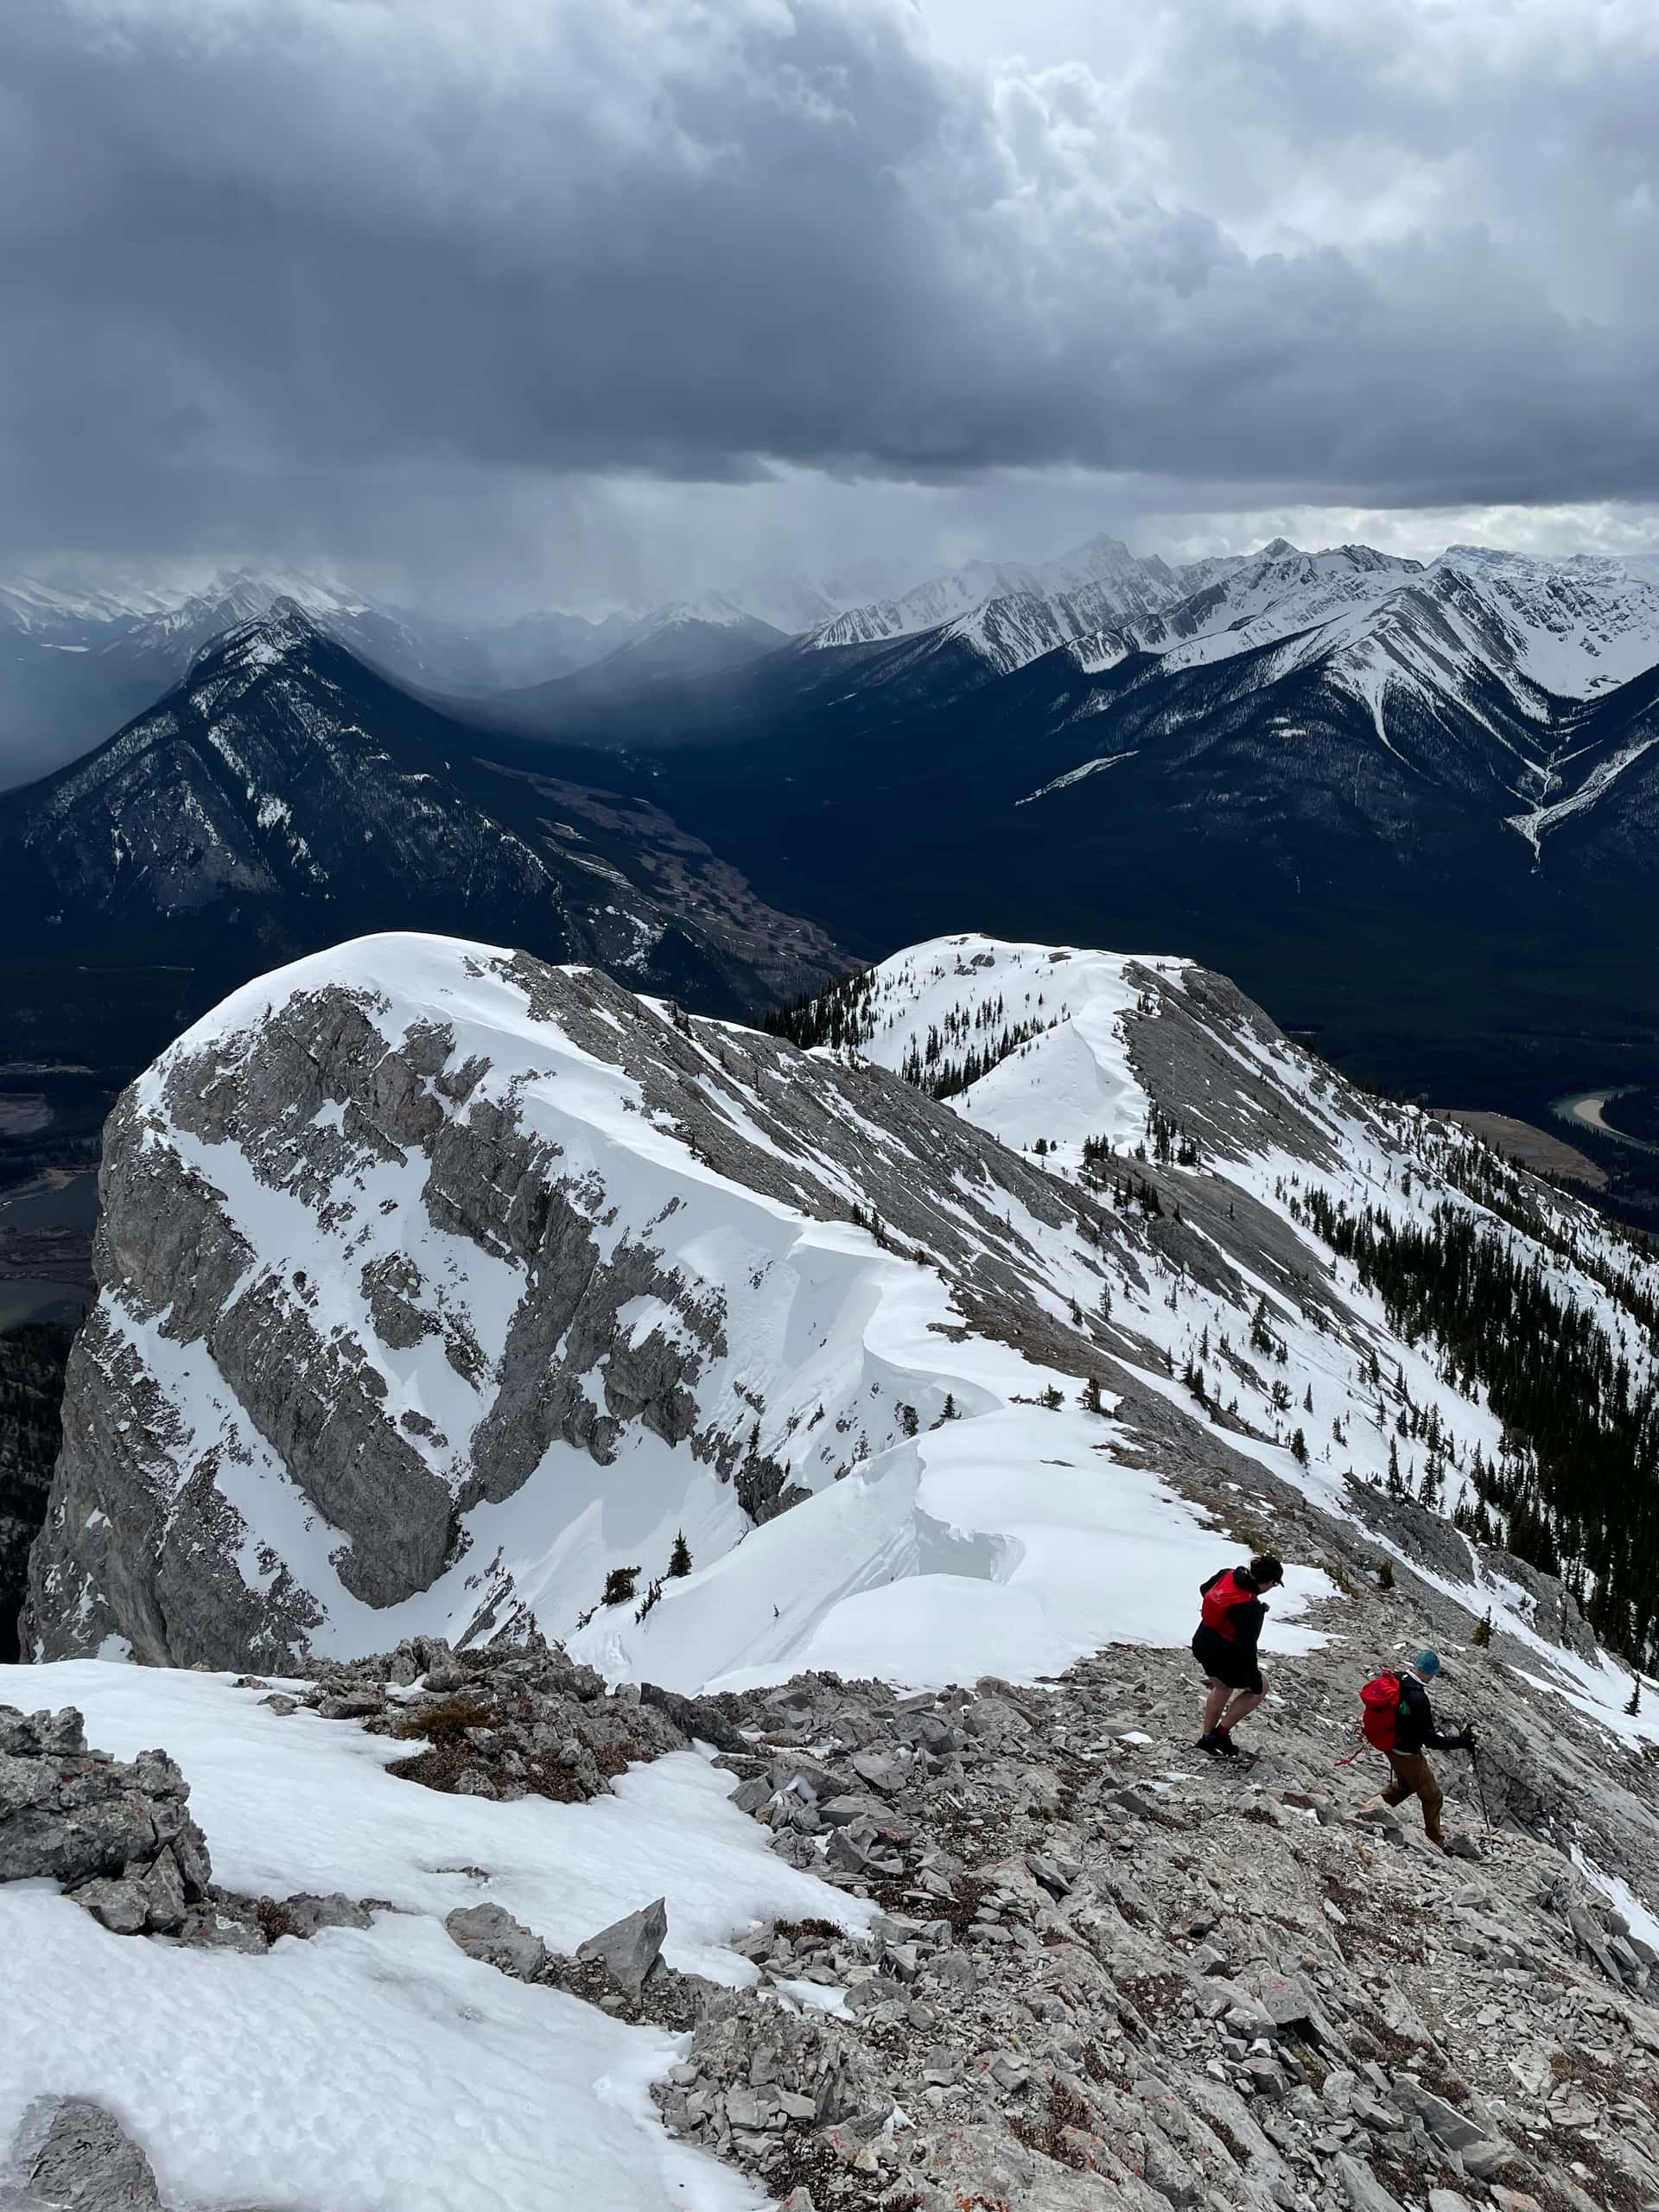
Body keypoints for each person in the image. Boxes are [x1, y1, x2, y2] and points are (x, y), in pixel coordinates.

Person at [1361, 1648, 1475, 1850]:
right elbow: (1431, 1741)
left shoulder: (1399, 1678)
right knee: (1433, 1796)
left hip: (1390, 1744)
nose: (1433, 1677)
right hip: (1407, 1753)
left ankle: (1372, 1808)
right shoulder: (1419, 1699)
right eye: (1433, 1673)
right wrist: (1462, 1742)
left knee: (1405, 1785)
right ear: (1429, 1672)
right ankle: (1435, 1839)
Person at [1192, 1554, 1284, 1757]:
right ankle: (1220, 1734)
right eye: (1274, 1584)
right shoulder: (1250, 1607)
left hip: (1202, 1640)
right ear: (1268, 1582)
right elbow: (1246, 1647)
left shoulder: (1228, 1574)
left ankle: (1207, 1737)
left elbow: (1204, 1589)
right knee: (1260, 1688)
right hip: (1224, 1651)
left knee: (1222, 1687)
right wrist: (1253, 1678)